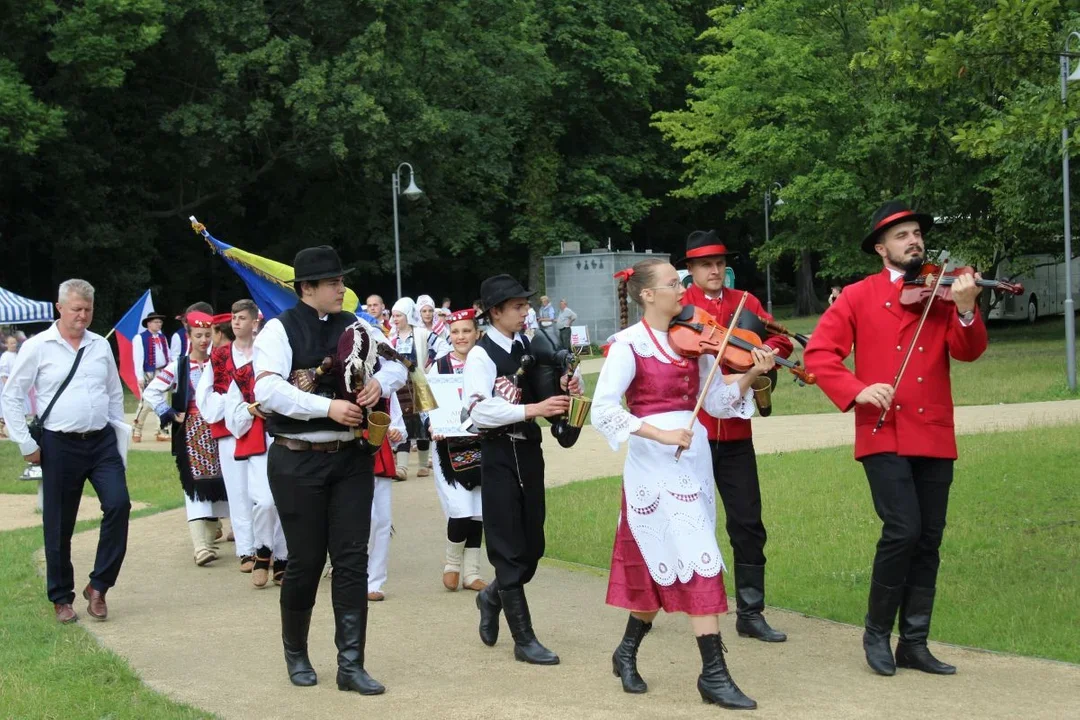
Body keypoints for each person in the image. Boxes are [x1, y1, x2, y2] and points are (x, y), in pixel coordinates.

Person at [804, 201, 987, 677]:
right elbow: (821, 355)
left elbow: (967, 353)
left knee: (928, 538)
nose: (914, 241)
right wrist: (858, 389)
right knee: (902, 529)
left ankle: (916, 643)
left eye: (917, 234)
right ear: (881, 248)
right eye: (902, 235)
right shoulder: (858, 296)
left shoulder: (945, 292)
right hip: (882, 430)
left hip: (934, 431)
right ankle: (875, 633)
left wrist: (966, 310)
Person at [594, 259, 774, 708]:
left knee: (666, 562)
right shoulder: (627, 345)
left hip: (692, 460)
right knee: (702, 557)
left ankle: (627, 648)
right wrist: (659, 433)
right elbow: (604, 409)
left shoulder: (695, 341)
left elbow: (714, 399)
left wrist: (752, 373)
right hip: (654, 464)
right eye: (674, 283)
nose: (683, 288)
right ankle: (713, 674)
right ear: (647, 295)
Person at [253, 246, 406, 695]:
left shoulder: (356, 327)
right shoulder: (278, 331)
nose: (342, 289)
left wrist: (382, 381)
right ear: (307, 288)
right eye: (334, 282)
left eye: (341, 281)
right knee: (304, 561)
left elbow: (398, 365)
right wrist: (328, 407)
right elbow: (268, 391)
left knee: (352, 560)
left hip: (350, 460)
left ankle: (351, 663)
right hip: (296, 459)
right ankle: (296, 654)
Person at [679, 229, 792, 643]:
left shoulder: (745, 301)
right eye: (706, 264)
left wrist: (763, 353)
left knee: (747, 523)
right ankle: (674, 604)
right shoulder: (680, 306)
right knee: (690, 522)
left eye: (720, 262)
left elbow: (779, 337)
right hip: (693, 434)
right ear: (690, 270)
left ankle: (751, 612)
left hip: (737, 433)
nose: (715, 270)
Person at [463, 274, 580, 666]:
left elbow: (546, 398)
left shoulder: (528, 345)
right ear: (495, 312)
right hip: (497, 454)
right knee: (508, 549)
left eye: (525, 304)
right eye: (517, 306)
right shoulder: (480, 355)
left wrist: (564, 389)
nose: (525, 311)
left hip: (529, 451)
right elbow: (477, 410)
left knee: (533, 548)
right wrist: (531, 409)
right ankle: (524, 639)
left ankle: (491, 596)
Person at [1, 279, 130, 624]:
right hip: (59, 444)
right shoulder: (39, 347)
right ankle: (61, 597)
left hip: (101, 442)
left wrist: (120, 446)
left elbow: (114, 396)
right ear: (60, 308)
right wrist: (27, 444)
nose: (83, 316)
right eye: (76, 309)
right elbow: (12, 396)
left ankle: (99, 586)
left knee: (119, 505)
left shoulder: (100, 346)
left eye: (88, 309)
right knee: (59, 523)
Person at [197, 301, 287, 586]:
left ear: (254, 322)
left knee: (274, 496)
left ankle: (277, 552)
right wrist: (233, 408)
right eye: (233, 318)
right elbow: (205, 395)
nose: (235, 323)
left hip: (271, 431)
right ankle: (248, 550)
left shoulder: (267, 352)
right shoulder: (220, 355)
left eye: (241, 318)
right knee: (239, 492)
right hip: (233, 428)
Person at [145, 309, 230, 567]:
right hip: (192, 430)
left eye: (207, 335)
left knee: (222, 482)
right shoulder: (178, 366)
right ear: (189, 336)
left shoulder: (220, 362)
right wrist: (170, 413)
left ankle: (211, 539)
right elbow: (152, 392)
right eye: (199, 335)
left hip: (218, 429)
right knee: (194, 486)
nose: (204, 340)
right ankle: (200, 546)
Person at [427, 308, 487, 592]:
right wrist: (432, 424)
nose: (461, 337)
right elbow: (426, 406)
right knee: (461, 509)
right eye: (455, 332)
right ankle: (452, 564)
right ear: (448, 335)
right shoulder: (438, 367)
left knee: (479, 510)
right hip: (447, 448)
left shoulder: (487, 362)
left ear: (477, 333)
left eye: (466, 331)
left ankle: (472, 573)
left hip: (483, 444)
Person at [388, 297, 448, 480]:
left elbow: (444, 346)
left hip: (419, 384)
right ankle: (403, 468)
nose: (395, 319)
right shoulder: (392, 338)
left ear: (407, 316)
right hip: (399, 386)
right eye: (393, 316)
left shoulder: (422, 334)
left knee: (422, 424)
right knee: (403, 423)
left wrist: (431, 367)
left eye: (398, 315)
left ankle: (423, 465)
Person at [367, 393, 406, 601]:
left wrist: (397, 433)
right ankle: (353, 572)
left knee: (382, 521)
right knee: (367, 519)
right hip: (350, 451)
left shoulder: (385, 385)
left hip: (380, 453)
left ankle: (375, 581)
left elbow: (400, 428)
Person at [131, 312, 172, 443]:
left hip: (162, 372)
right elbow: (138, 358)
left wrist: (171, 371)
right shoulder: (140, 338)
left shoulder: (162, 337)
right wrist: (140, 377)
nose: (158, 324)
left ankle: (161, 430)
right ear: (148, 323)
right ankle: (137, 429)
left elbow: (168, 356)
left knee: (163, 401)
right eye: (156, 322)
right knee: (146, 403)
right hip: (148, 373)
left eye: (160, 322)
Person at [1, 335, 33, 438]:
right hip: (10, 387)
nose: (14, 345)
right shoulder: (5, 357)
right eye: (11, 343)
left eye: (15, 343)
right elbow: (3, 373)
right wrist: (8, 387)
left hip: (18, 386)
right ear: (6, 344)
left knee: (21, 408)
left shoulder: (17, 355)